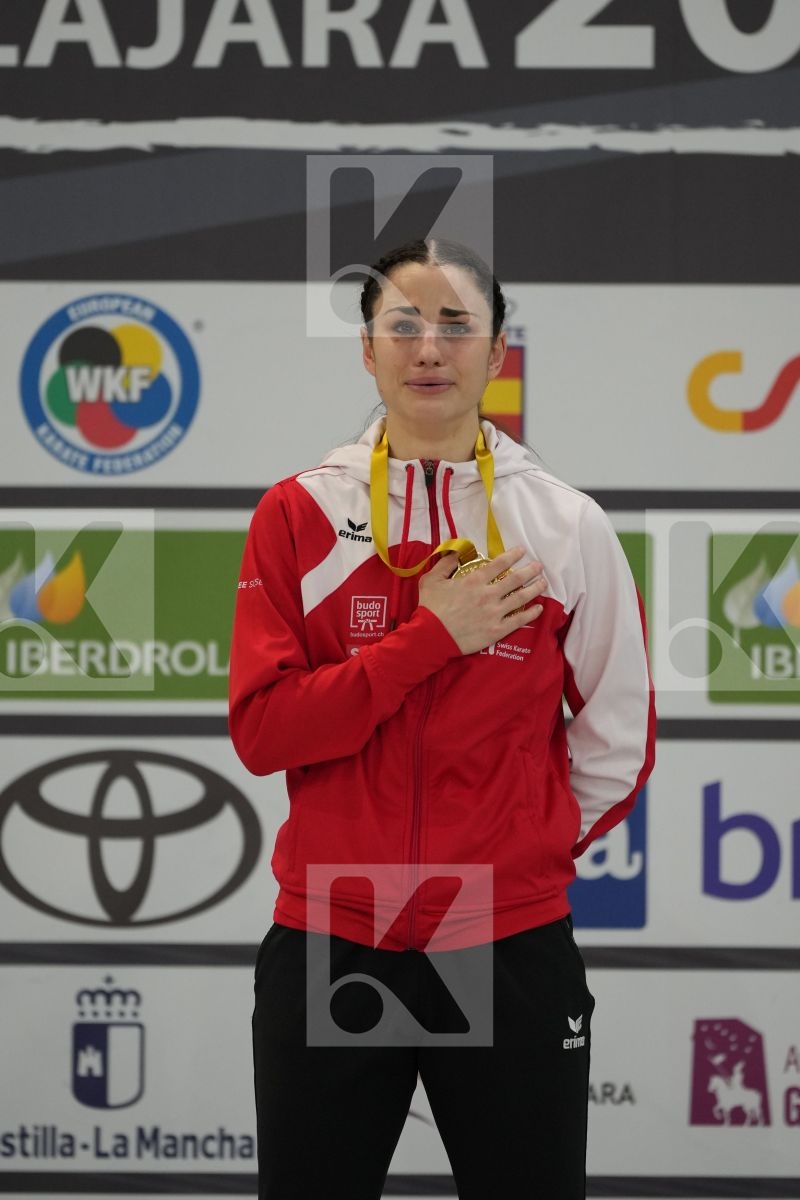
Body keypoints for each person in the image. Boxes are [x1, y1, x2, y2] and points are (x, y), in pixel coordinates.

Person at [229, 237, 655, 1199]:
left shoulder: (566, 526)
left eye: (456, 326)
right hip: (337, 930)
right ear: (367, 350)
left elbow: (618, 741)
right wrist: (430, 639)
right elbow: (264, 732)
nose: (429, 348)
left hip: (505, 938)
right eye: (403, 325)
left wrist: (516, 851)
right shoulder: (297, 514)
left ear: (497, 351)